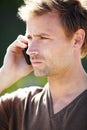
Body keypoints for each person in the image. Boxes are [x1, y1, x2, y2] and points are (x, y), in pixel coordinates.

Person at [0, 0, 87, 129]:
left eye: (43, 38)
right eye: (30, 38)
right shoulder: (18, 106)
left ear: (77, 39)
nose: (30, 50)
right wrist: (6, 74)